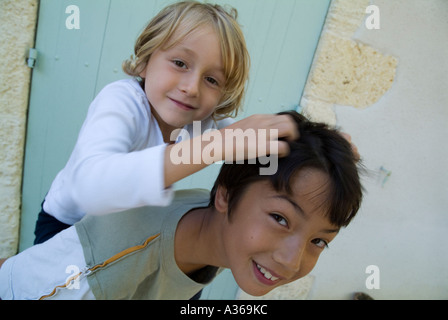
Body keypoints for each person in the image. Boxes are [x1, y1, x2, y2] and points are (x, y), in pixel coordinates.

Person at [0, 111, 363, 300]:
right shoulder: (113, 263)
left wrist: (329, 147)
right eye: (281, 219)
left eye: (319, 240)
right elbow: (15, 286)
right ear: (224, 195)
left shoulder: (228, 231)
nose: (291, 259)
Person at [34, 1, 299, 244]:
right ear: (145, 62)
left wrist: (311, 146)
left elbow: (263, 157)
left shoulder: (202, 122)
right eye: (180, 63)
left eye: (212, 80)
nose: (192, 87)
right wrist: (212, 147)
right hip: (66, 228)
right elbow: (89, 188)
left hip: (122, 235)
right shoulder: (123, 102)